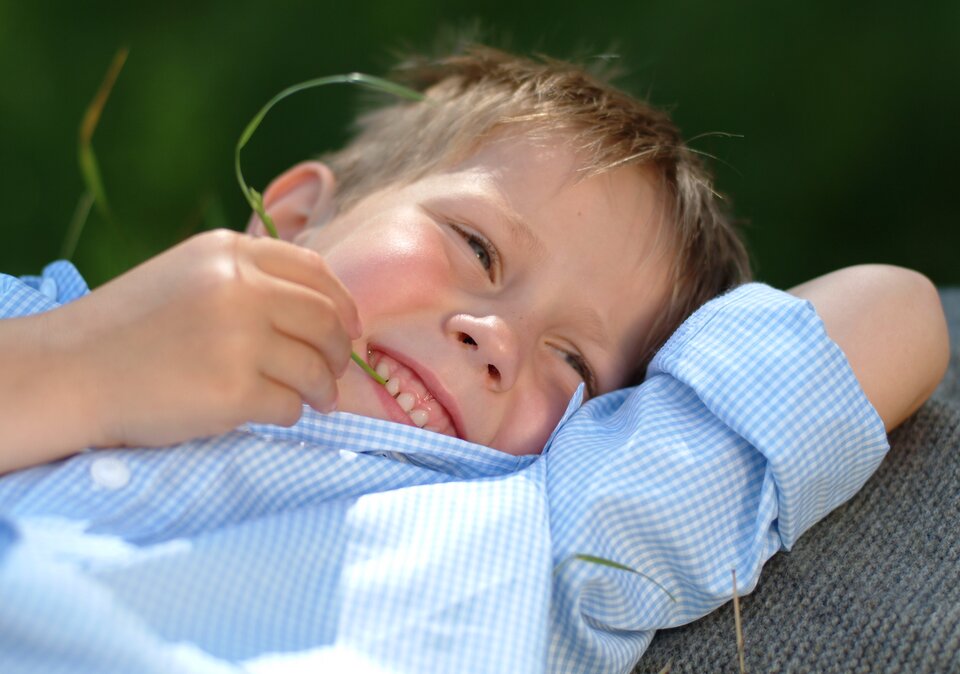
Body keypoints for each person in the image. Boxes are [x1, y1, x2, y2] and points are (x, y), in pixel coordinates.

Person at [0, 46, 949, 673]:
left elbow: (896, 312)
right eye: (478, 249)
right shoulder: (58, 328)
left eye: (573, 362)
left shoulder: (540, 526)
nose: (496, 342)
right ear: (294, 219)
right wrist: (80, 368)